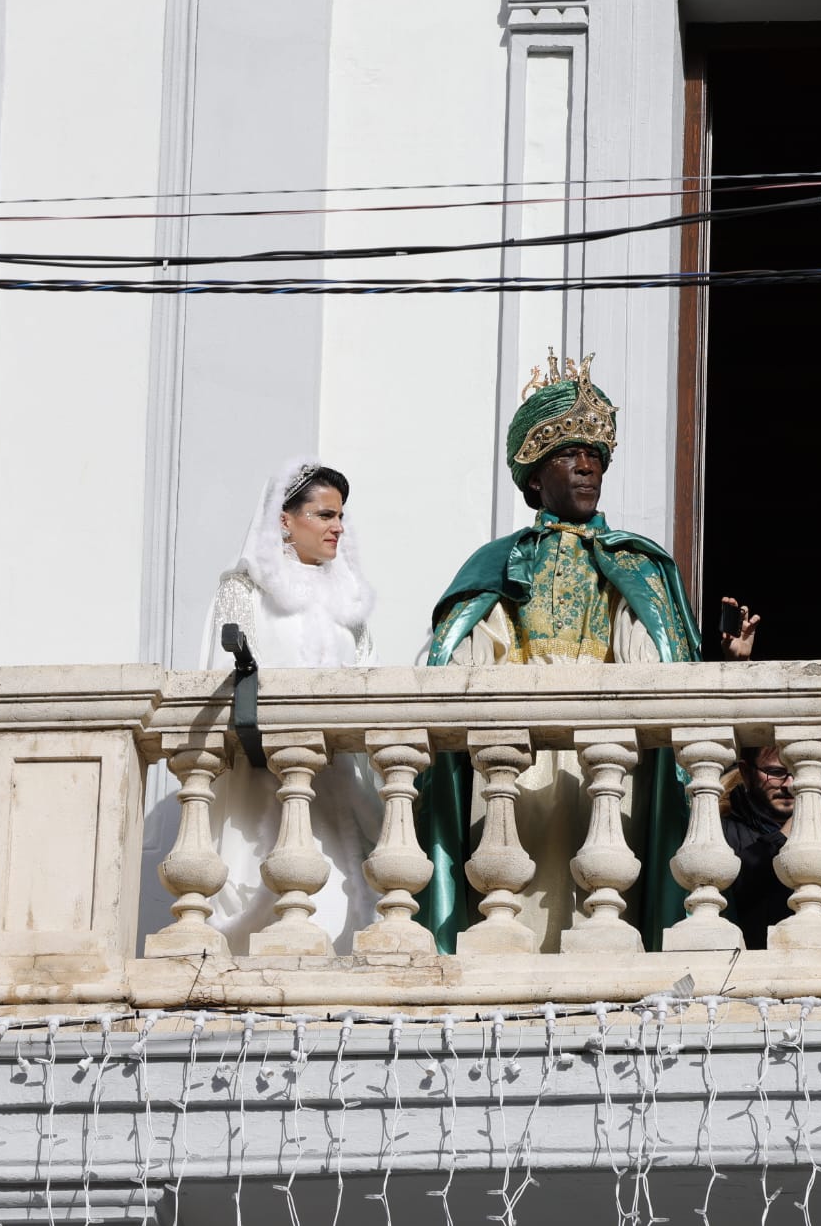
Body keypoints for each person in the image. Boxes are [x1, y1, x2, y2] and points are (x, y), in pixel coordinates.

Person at [421, 351, 705, 952]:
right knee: (515, 901)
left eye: (595, 457)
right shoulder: (494, 562)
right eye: (568, 455)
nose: (586, 467)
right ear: (533, 477)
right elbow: (465, 655)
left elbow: (653, 658)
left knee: (602, 894)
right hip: (517, 759)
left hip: (604, 755)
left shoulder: (637, 562)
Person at [163, 458, 384, 952]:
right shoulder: (243, 592)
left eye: (341, 516)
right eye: (325, 515)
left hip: (334, 786)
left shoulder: (349, 603)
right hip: (259, 784)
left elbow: (371, 684)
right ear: (285, 520)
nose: (338, 527)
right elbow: (218, 681)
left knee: (340, 901)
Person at [721, 745, 821, 950]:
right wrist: (781, 839)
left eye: (797, 774)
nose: (790, 784)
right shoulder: (723, 832)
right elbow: (727, 894)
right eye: (776, 773)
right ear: (746, 773)